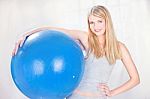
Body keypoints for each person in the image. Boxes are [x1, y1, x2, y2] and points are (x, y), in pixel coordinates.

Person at [12, 5, 140, 99]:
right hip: (75, 96)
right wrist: (26, 34)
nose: (96, 26)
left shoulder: (119, 48)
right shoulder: (86, 39)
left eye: (100, 21)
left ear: (107, 22)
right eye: (92, 23)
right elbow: (55, 30)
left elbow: (135, 79)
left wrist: (112, 92)